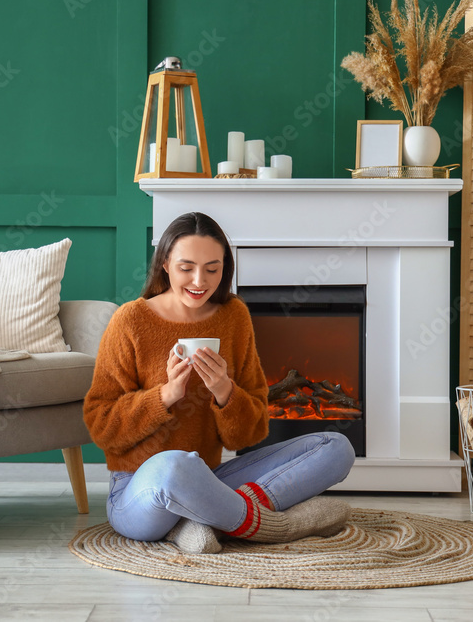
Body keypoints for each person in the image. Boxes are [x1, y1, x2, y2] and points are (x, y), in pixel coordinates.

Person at [84, 211, 356, 554]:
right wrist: (165, 396)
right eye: (187, 268)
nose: (200, 281)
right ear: (165, 264)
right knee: (174, 466)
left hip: (211, 478)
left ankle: (201, 517)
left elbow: (250, 433)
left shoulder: (234, 317)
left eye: (212, 269)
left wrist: (225, 393)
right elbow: (100, 425)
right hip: (138, 490)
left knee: (335, 449)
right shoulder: (131, 320)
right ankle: (273, 526)